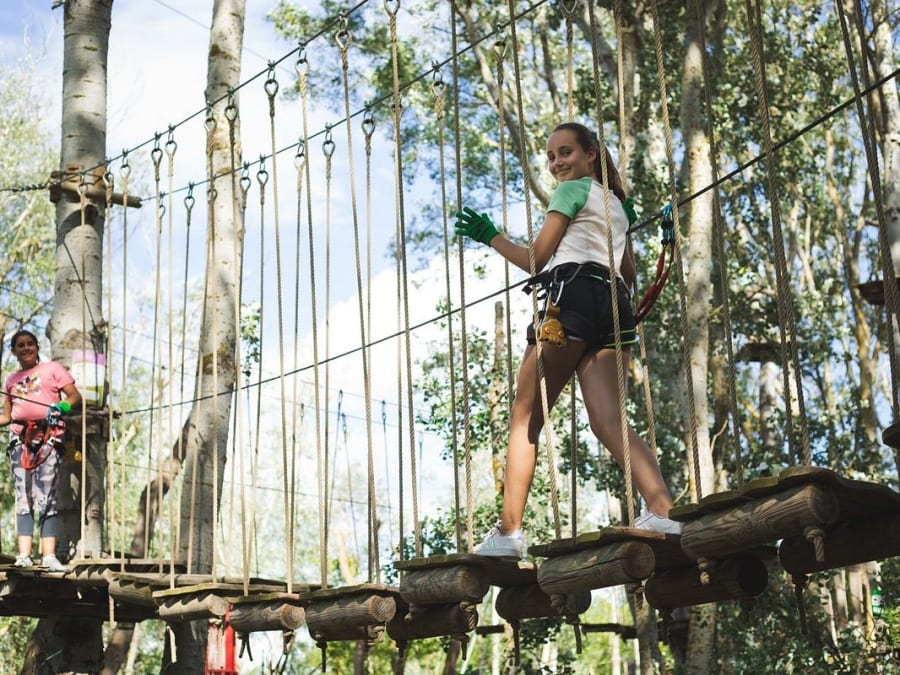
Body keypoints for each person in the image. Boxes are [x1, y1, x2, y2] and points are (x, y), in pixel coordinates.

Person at [454, 121, 679, 559]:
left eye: (566, 153)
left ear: (591, 154)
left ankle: (509, 533)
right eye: (552, 157)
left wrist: (490, 237)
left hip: (570, 301)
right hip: (614, 310)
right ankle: (663, 509)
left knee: (526, 420)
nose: (558, 163)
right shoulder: (616, 204)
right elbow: (627, 274)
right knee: (610, 422)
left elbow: (536, 258)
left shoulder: (572, 192)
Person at [0, 329, 81, 572]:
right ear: (13, 351)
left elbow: (75, 395)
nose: (26, 348)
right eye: (20, 345)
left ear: (36, 347)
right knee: (23, 497)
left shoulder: (52, 369)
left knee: (47, 496)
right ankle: (24, 555)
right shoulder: (11, 380)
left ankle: (48, 555)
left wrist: (61, 406)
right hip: (20, 441)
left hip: (48, 439)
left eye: (30, 344)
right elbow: (6, 415)